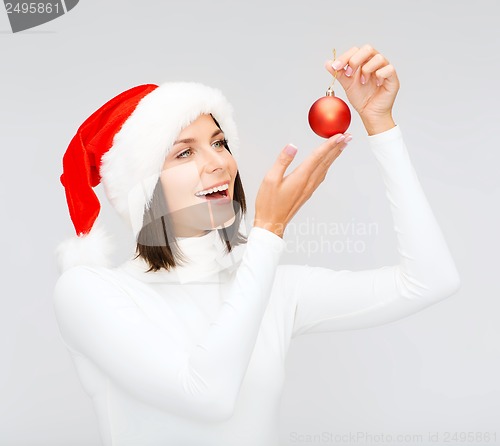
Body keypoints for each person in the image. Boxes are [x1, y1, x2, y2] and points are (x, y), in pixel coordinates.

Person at [53, 45, 461, 446]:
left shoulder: (270, 287)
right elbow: (207, 396)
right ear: (142, 189)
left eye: (218, 142)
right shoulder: (89, 291)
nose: (217, 162)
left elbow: (430, 280)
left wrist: (381, 126)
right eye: (184, 152)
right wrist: (269, 231)